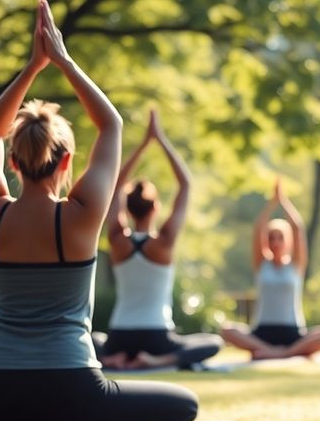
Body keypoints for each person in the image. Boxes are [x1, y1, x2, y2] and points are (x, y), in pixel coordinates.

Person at [0, 0, 197, 421]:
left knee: (2, 407)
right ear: (68, 161)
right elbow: (110, 124)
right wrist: (62, 60)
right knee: (183, 408)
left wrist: (31, 68)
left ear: (13, 162)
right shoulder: (81, 216)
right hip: (68, 390)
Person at [92, 109, 223, 370]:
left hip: (120, 336)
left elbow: (116, 183)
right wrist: (159, 139)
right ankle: (158, 360)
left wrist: (141, 146)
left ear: (128, 209)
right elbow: (185, 184)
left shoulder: (117, 239)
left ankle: (110, 359)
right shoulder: (163, 242)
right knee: (213, 342)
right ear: (155, 208)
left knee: (94, 337)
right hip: (157, 335)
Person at [220, 179, 320, 359]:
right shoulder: (262, 264)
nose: (275, 242)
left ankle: (282, 353)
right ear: (266, 241)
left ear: (288, 241)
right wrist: (271, 204)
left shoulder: (296, 265)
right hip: (261, 333)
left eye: (280, 237)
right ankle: (273, 351)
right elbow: (258, 229)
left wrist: (283, 201)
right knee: (226, 329)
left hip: (292, 333)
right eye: (271, 237)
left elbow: (297, 228)